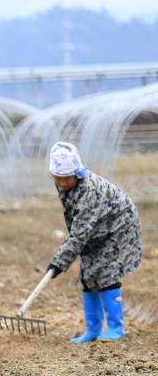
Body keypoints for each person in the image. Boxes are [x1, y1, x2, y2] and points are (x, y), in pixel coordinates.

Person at [45, 142, 142, 343]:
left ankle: (116, 329)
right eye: (58, 178)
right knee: (88, 273)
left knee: (105, 272)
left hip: (117, 225)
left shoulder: (91, 192)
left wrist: (58, 263)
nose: (61, 183)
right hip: (96, 226)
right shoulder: (66, 183)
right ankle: (93, 330)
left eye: (65, 178)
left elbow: (80, 234)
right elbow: (77, 224)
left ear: (77, 173)